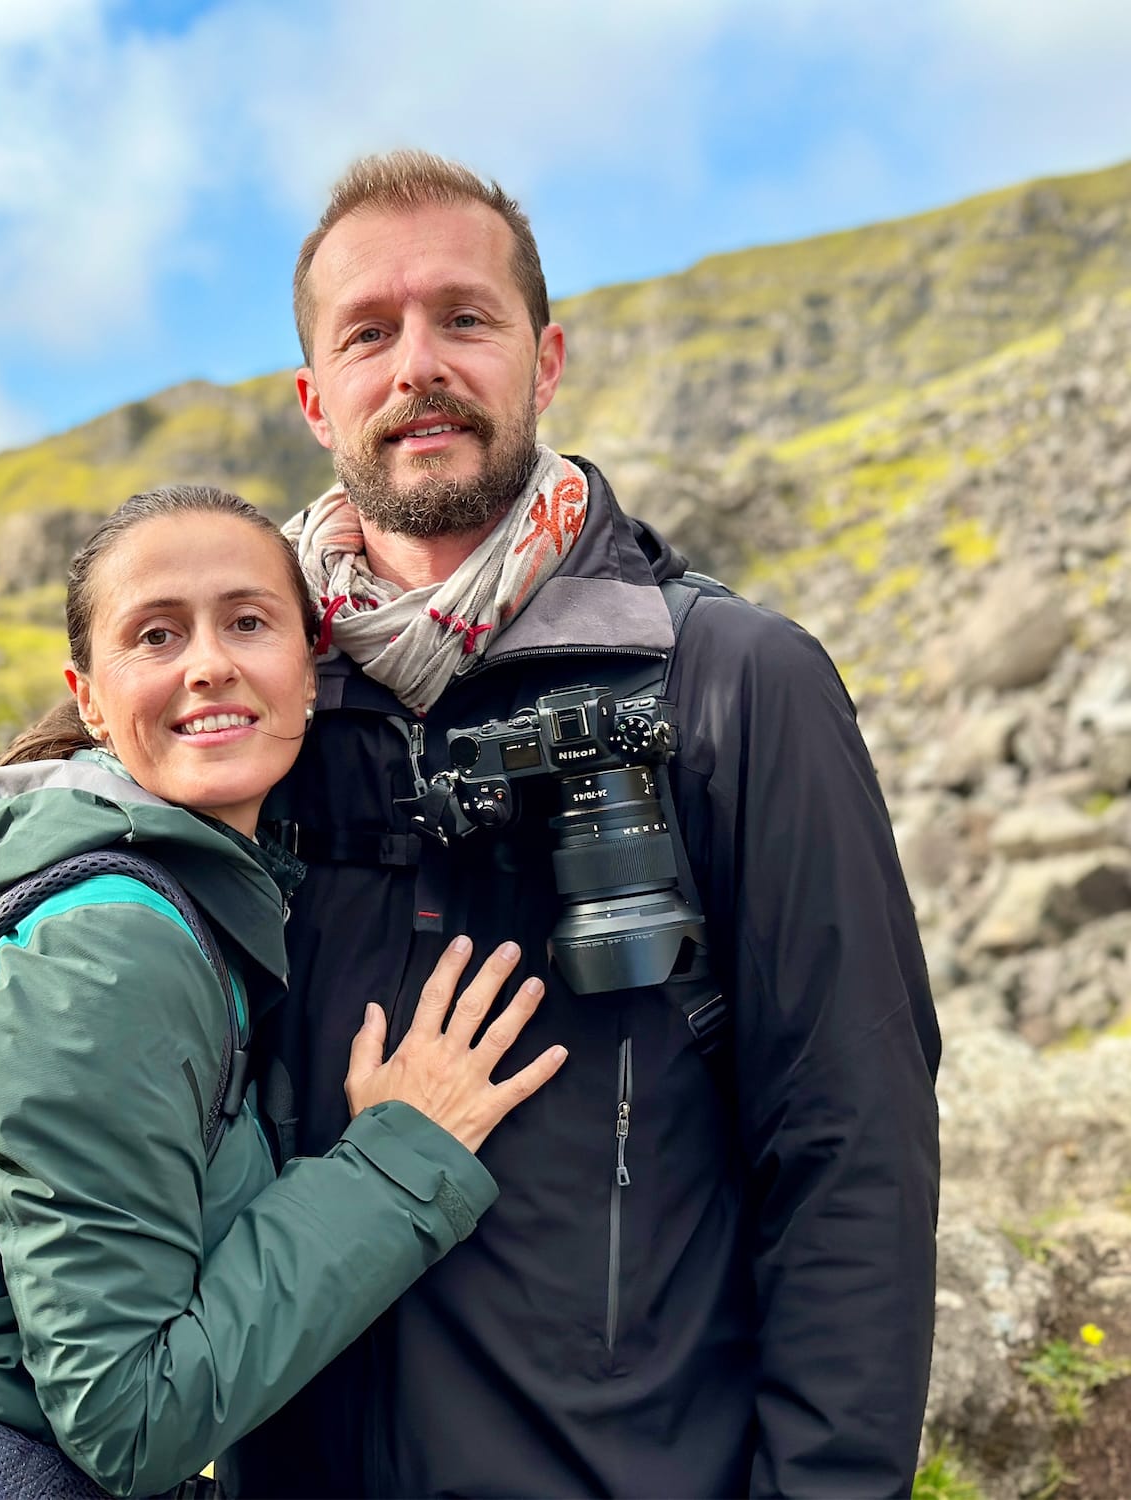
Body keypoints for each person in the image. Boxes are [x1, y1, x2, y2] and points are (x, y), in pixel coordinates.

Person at [221, 150, 943, 1498]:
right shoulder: (242, 722)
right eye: (369, 332)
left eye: (465, 318)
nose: (418, 364)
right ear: (318, 399)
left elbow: (853, 1150)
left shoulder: (731, 681)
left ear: (545, 360)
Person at [0, 484, 569, 1499]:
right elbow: (126, 1419)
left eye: (248, 622)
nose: (209, 662)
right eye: (156, 635)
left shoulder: (55, 864)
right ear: (87, 696)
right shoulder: (105, 950)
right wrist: (395, 1164)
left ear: (307, 665)